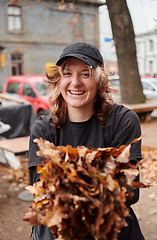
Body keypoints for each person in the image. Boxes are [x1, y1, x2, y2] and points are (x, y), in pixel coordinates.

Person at [28, 42, 145, 240]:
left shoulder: (123, 121)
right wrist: (98, 178)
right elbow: (43, 193)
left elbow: (127, 192)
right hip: (61, 230)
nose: (75, 82)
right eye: (67, 74)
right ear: (58, 80)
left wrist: (68, 181)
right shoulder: (43, 129)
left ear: (99, 80)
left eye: (85, 73)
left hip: (111, 229)